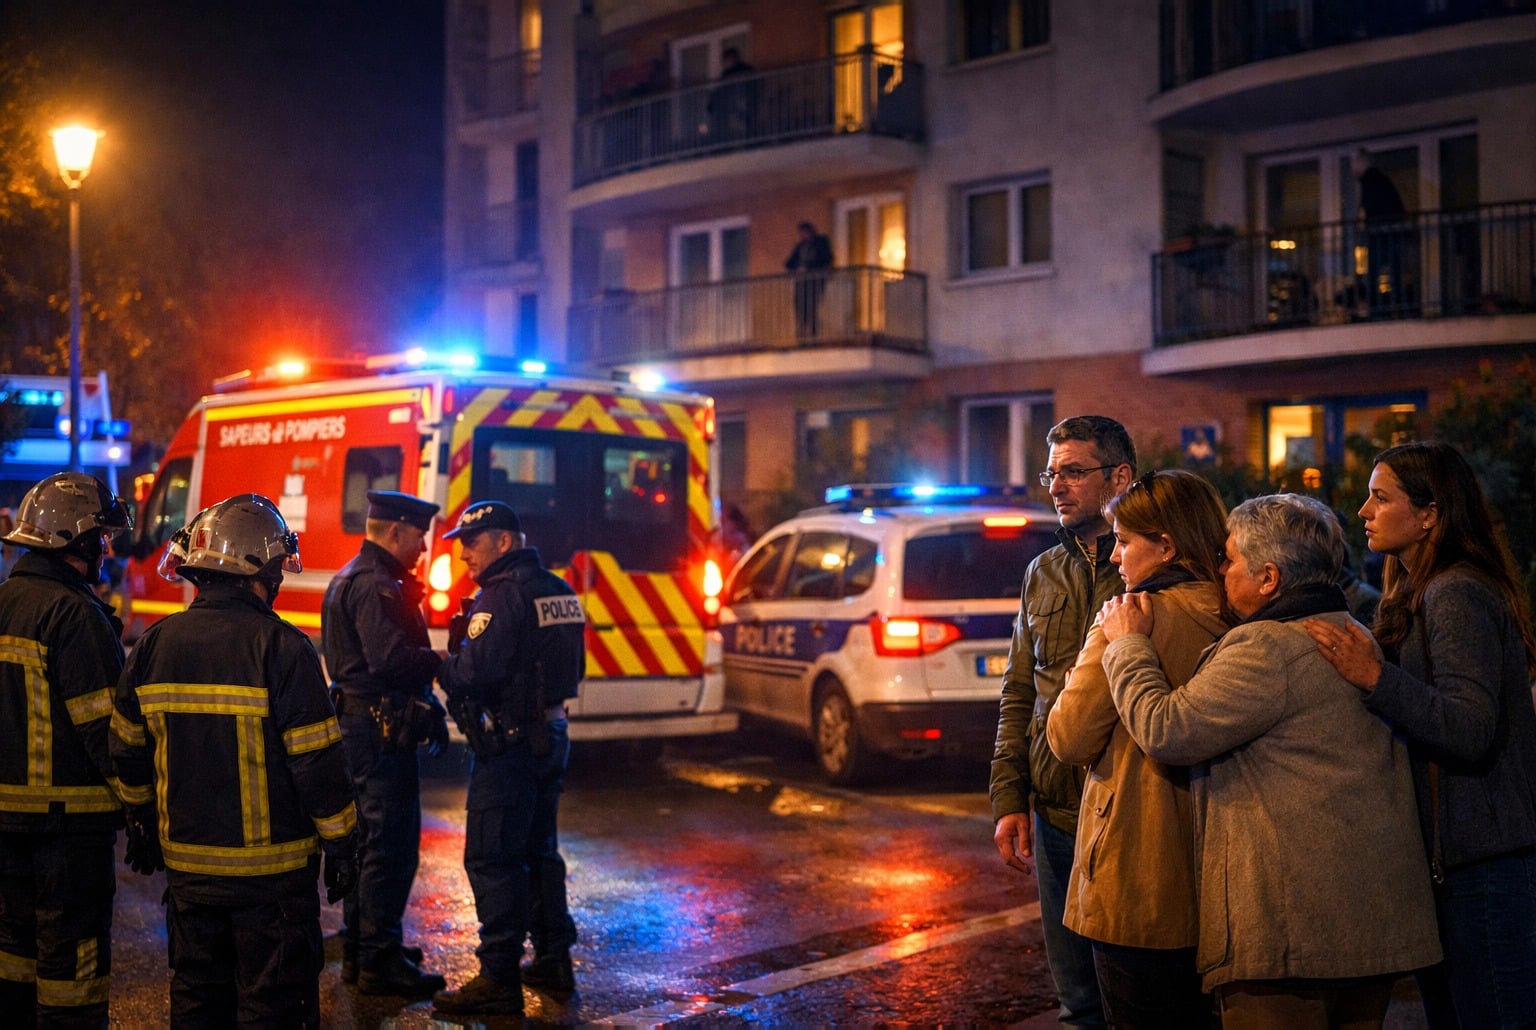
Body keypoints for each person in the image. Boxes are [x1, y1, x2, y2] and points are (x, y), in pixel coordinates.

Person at [1100, 493, 1442, 1025]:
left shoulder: (1266, 648)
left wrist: (1125, 646)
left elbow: (1166, 730)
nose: (1218, 569)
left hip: (1292, 935)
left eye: (1230, 559)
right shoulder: (1354, 633)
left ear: (1268, 579)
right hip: (1370, 922)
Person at [1305, 441, 1536, 1028]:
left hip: (1482, 866)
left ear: (1430, 513)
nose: (1363, 511)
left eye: (1381, 498)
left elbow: (1468, 727)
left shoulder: (1455, 592)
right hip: (1453, 865)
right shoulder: (1414, 591)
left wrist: (1375, 677)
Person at [112, 495, 360, 1027]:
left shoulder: (153, 646)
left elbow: (127, 751)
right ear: (259, 571)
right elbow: (318, 766)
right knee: (273, 1011)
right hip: (272, 890)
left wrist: (141, 821)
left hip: (189, 881)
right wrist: (342, 846)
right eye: (275, 570)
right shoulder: (284, 648)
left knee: (199, 1005)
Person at [1045, 469, 1231, 1027]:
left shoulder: (1130, 619)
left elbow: (1068, 735)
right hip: (1226, 880)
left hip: (1136, 875)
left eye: (1125, 542)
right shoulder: (1240, 615)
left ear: (1166, 545)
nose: (1116, 557)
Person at [991, 415, 1137, 1028]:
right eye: (1052, 473)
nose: (1056, 486)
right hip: (1055, 819)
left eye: (1073, 472)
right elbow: (1020, 689)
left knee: (1139, 998)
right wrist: (1008, 796)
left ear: (1120, 477)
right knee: (1077, 1004)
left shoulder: (1154, 565)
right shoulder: (1042, 571)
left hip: (1132, 816)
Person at [432, 501, 585, 1017]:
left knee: (494, 855)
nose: (463, 552)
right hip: (553, 733)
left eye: (472, 542)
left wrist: (444, 664)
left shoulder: (502, 595)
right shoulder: (559, 590)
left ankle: (498, 978)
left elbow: (474, 672)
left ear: (503, 542)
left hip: (512, 744)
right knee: (540, 850)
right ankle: (552, 959)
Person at [0, 472, 133, 1025]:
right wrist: (144, 808)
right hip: (67, 834)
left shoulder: (5, 601)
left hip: (5, 828)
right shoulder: (75, 615)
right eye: (99, 538)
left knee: (12, 959)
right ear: (72, 541)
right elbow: (108, 734)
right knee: (71, 972)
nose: (104, 551)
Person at [321, 490, 450, 996]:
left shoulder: (355, 574)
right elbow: (390, 660)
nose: (424, 546)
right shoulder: (377, 584)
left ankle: (365, 946)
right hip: (377, 734)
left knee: (367, 844)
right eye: (419, 536)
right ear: (395, 531)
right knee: (389, 847)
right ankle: (378, 961)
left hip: (362, 729)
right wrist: (441, 661)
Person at [1351, 148, 1410, 317]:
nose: (1352, 170)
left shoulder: (1370, 180)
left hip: (1382, 234)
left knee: (1376, 273)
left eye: (1354, 165)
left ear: (1360, 165)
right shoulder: (1378, 179)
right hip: (1390, 233)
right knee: (1392, 272)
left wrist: (1366, 224)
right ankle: (1395, 307)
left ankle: (1377, 309)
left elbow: (1371, 206)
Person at [784, 221, 833, 339]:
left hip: (815, 280)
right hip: (801, 282)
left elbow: (826, 258)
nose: (802, 236)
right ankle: (802, 331)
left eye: (804, 233)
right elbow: (789, 263)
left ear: (810, 231)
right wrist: (796, 269)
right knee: (800, 306)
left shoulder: (821, 242)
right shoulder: (800, 246)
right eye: (801, 233)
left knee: (811, 306)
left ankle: (814, 332)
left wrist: (808, 267)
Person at [709, 46, 756, 143]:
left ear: (733, 58)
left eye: (726, 60)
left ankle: (748, 140)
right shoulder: (727, 72)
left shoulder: (744, 69)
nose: (725, 63)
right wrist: (712, 101)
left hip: (742, 99)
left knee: (744, 119)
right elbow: (721, 88)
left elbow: (749, 82)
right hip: (733, 101)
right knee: (737, 119)